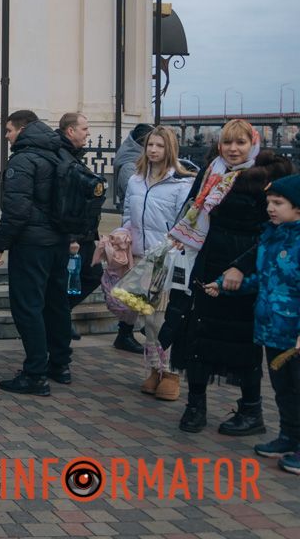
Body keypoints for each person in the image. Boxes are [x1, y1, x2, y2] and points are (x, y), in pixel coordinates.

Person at [163, 119, 293, 434]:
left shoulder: (267, 176)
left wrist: (242, 267)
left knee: (242, 339)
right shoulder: (212, 171)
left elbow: (271, 230)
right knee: (197, 332)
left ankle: (251, 410)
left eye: (240, 143)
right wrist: (181, 236)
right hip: (205, 260)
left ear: (253, 144)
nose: (233, 149)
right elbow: (192, 208)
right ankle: (195, 405)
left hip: (244, 266)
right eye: (227, 143)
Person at [202, 173, 300, 471]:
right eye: (269, 202)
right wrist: (224, 284)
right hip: (273, 329)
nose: (270, 208)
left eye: (278, 203)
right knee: (284, 389)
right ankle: (288, 437)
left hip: (295, 335)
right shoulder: (271, 237)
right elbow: (261, 278)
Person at [0, 110, 70, 396]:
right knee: (56, 304)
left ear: (22, 130)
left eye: (9, 130)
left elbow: (16, 210)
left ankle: (35, 374)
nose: (7, 136)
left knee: (28, 307)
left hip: (32, 245)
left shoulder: (23, 160)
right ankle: (59, 364)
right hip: (58, 242)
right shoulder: (58, 153)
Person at [117, 126, 194, 400]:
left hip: (167, 260)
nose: (153, 150)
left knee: (162, 320)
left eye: (159, 146)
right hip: (142, 258)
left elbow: (185, 223)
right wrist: (122, 234)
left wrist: (173, 245)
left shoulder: (181, 184)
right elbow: (128, 215)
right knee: (147, 320)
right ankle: (153, 369)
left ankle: (171, 373)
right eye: (150, 145)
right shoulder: (136, 180)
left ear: (169, 149)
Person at [58, 112, 142, 353]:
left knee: (92, 275)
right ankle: (59, 318)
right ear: (70, 131)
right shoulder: (63, 156)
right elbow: (66, 200)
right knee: (81, 276)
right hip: (74, 235)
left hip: (85, 233)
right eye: (85, 129)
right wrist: (73, 237)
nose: (88, 133)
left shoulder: (73, 154)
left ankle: (61, 315)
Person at [114, 123, 155, 207]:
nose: (154, 149)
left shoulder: (145, 160)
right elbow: (137, 199)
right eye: (151, 144)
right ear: (143, 143)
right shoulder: (129, 167)